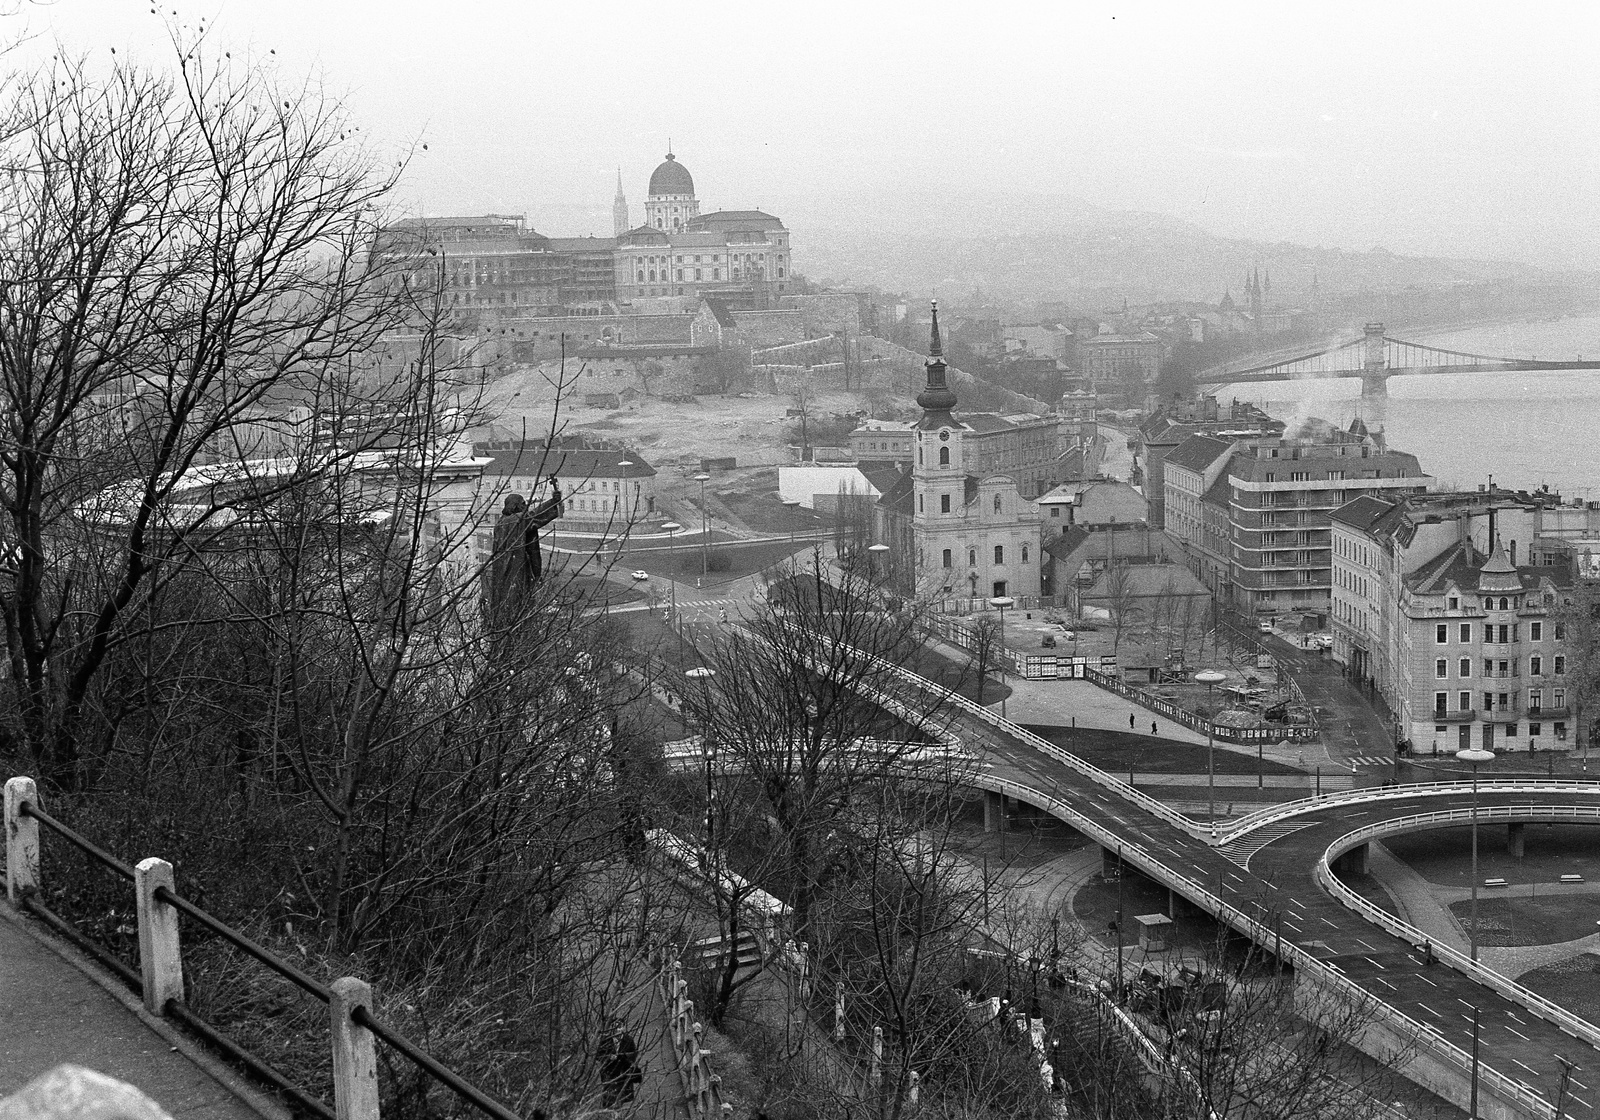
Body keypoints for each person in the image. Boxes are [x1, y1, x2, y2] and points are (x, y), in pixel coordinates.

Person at [597, 1018, 640, 1109]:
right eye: (615, 1027)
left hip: (622, 1070)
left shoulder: (628, 1039)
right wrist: (608, 1057)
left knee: (621, 1095)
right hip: (609, 1071)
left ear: (623, 1028)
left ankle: (617, 1112)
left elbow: (634, 1053)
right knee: (609, 1096)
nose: (617, 1030)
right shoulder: (606, 1040)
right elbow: (598, 1055)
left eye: (620, 1027)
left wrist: (622, 1056)